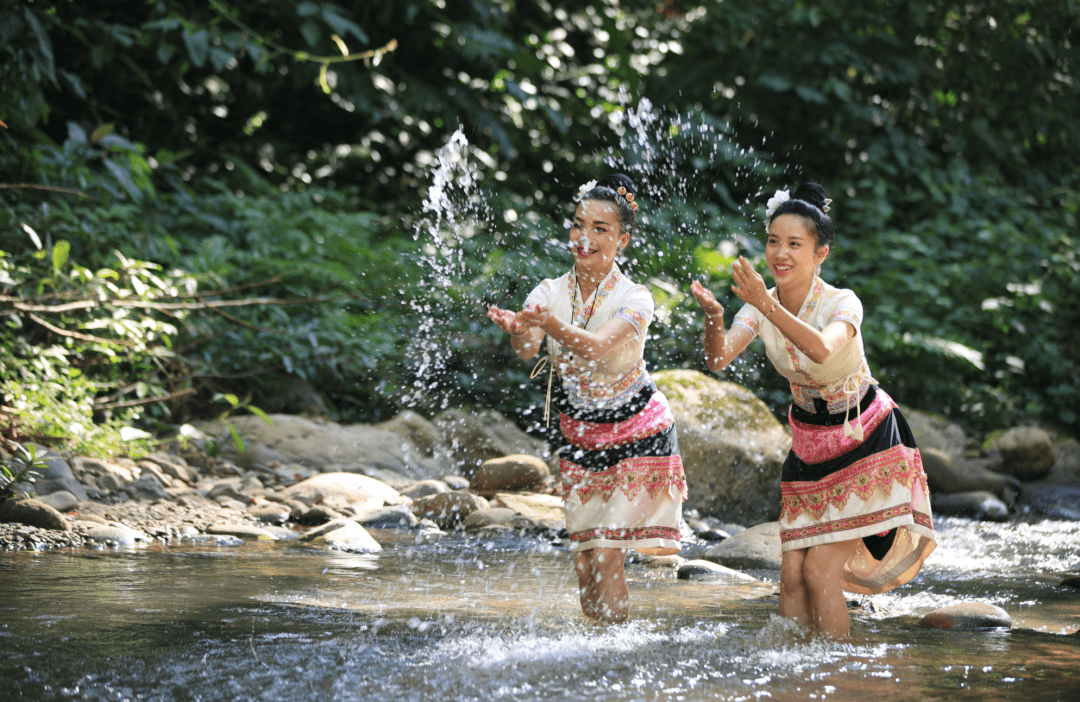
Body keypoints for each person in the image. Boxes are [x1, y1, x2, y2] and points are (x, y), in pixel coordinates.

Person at [690, 182, 936, 638]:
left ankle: (835, 675)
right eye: (772, 241)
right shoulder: (763, 303)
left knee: (821, 571)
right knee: (790, 579)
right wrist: (714, 317)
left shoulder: (843, 302)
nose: (780, 253)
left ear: (820, 253)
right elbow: (719, 357)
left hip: (866, 438)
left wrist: (763, 303)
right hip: (808, 446)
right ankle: (792, 673)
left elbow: (823, 350)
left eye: (794, 244)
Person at [488, 173, 687, 624]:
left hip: (640, 432)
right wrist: (520, 329)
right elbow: (526, 351)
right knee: (583, 564)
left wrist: (549, 326)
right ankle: (594, 652)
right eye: (579, 224)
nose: (585, 237)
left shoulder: (636, 298)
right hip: (580, 436)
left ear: (623, 239)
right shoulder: (548, 290)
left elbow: (597, 346)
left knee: (605, 556)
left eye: (601, 229)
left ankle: (614, 659)